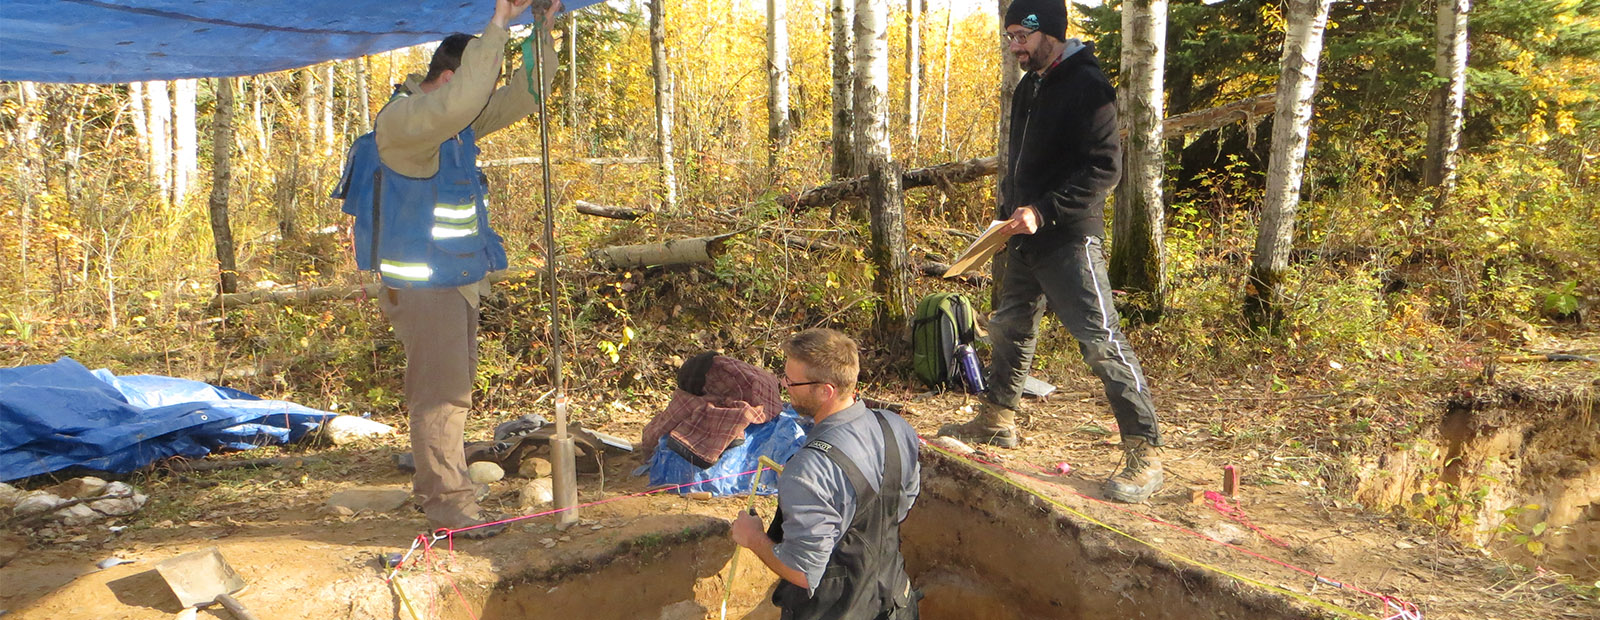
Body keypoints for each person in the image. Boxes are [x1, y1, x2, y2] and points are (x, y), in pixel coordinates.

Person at [333, 0, 561, 538]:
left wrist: (543, 31)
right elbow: (463, 100)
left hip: (453, 280)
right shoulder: (407, 121)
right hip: (422, 287)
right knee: (440, 398)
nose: (486, 91)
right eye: (480, 75)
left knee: (450, 393)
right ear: (454, 76)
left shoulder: (452, 121)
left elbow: (526, 95)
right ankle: (449, 510)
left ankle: (443, 486)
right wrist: (500, 23)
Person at [936, 0, 1165, 504]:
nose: (1014, 45)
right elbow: (1019, 162)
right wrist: (1009, 216)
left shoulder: (1089, 86)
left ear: (1051, 33)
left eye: (1022, 35)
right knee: (1010, 327)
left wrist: (1044, 210)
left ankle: (1144, 451)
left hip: (1069, 238)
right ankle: (997, 420)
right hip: (1020, 235)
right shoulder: (1028, 86)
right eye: (1011, 36)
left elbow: (1104, 169)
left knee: (1100, 340)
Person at [730, 329, 921, 620]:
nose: (784, 385)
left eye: (792, 381)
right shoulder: (896, 427)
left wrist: (753, 537)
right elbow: (901, 504)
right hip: (896, 604)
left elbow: (802, 572)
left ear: (826, 391)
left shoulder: (808, 469)